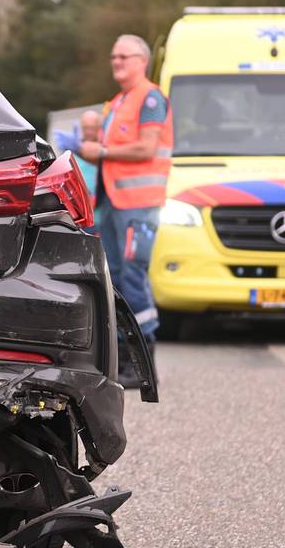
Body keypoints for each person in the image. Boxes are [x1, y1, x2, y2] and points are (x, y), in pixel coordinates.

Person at [79, 35, 173, 385]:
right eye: (113, 56)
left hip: (139, 208)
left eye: (124, 56)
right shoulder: (118, 102)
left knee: (133, 279)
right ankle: (124, 360)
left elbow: (146, 147)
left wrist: (100, 152)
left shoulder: (150, 99)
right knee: (116, 280)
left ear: (142, 61)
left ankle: (144, 362)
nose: (116, 61)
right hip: (115, 207)